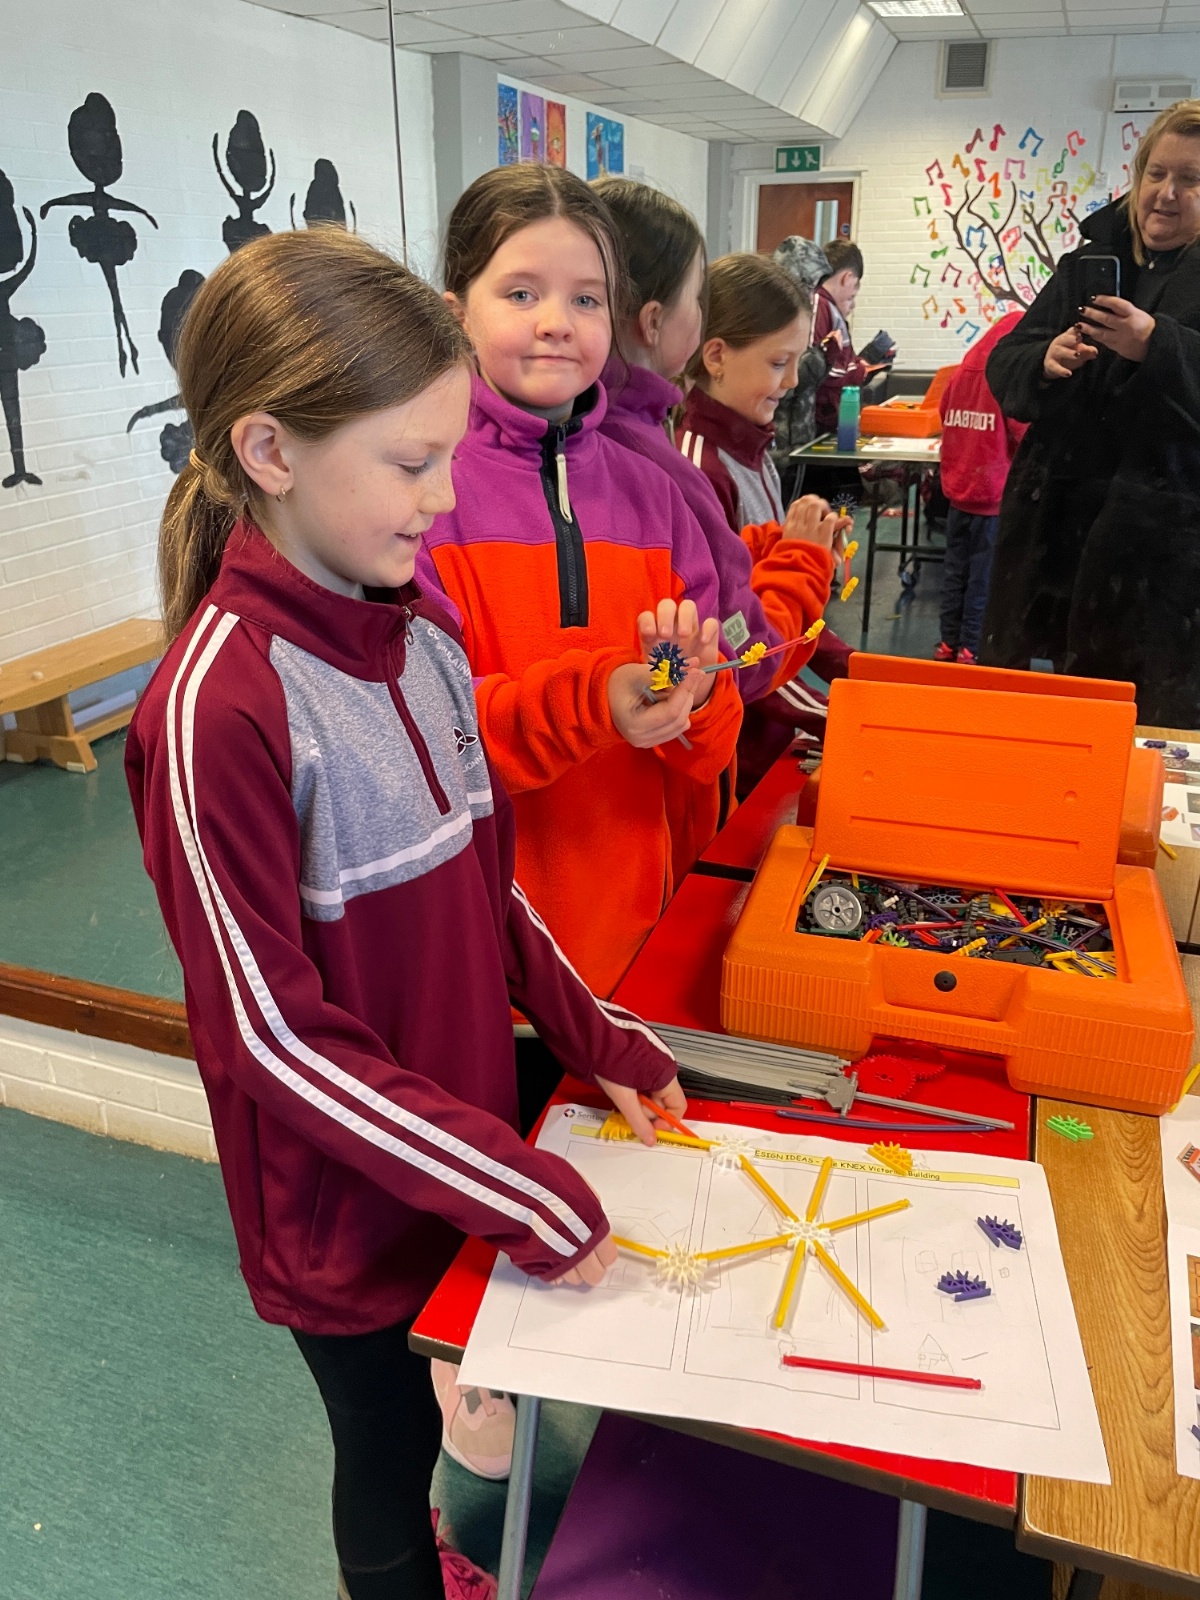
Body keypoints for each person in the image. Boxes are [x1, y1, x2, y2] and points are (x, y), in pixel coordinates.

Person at [124, 228, 685, 1600]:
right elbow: (271, 1036)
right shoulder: (215, 709)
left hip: (450, 1151)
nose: (443, 497)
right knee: (379, 1454)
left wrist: (598, 1036)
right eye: (412, 463)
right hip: (345, 1214)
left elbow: (489, 883)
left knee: (430, 1425)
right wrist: (515, 1186)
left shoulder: (423, 633)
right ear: (271, 451)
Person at [417, 165, 742, 1004]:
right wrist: (597, 703)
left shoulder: (655, 498)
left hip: (632, 944)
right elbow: (426, 742)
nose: (557, 322)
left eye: (587, 299)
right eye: (521, 293)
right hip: (481, 964)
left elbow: (700, 716)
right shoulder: (423, 499)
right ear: (457, 314)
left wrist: (686, 694)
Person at [591, 180, 843, 833]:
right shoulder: (668, 467)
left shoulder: (625, 446)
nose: (792, 381)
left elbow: (708, 610)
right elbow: (741, 651)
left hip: (670, 773)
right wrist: (803, 562)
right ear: (655, 321)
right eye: (698, 297)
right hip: (676, 790)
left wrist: (777, 548)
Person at [981, 100, 1200, 723]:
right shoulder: (1088, 262)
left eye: (1190, 179)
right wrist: (1044, 358)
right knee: (1038, 714)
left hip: (1161, 559)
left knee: (1143, 722)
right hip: (1054, 531)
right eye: (1157, 173)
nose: (1166, 193)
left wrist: (1157, 345)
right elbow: (1006, 359)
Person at [677, 253, 854, 779]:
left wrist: (858, 672)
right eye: (779, 363)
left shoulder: (755, 453)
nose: (795, 380)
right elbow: (736, 649)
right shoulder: (699, 471)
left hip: (771, 728)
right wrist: (835, 714)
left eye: (798, 361)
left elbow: (778, 611)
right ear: (716, 356)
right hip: (737, 750)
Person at [933, 311, 1027, 665]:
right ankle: (971, 647)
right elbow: (1024, 432)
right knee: (982, 579)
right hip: (992, 500)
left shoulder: (962, 372)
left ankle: (947, 642)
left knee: (954, 573)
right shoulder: (1006, 380)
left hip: (958, 494)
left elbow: (944, 411)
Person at [770, 234, 832, 498]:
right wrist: (820, 359)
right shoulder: (772, 317)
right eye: (808, 284)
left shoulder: (798, 315)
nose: (811, 293)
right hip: (777, 442)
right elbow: (783, 382)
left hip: (798, 439)